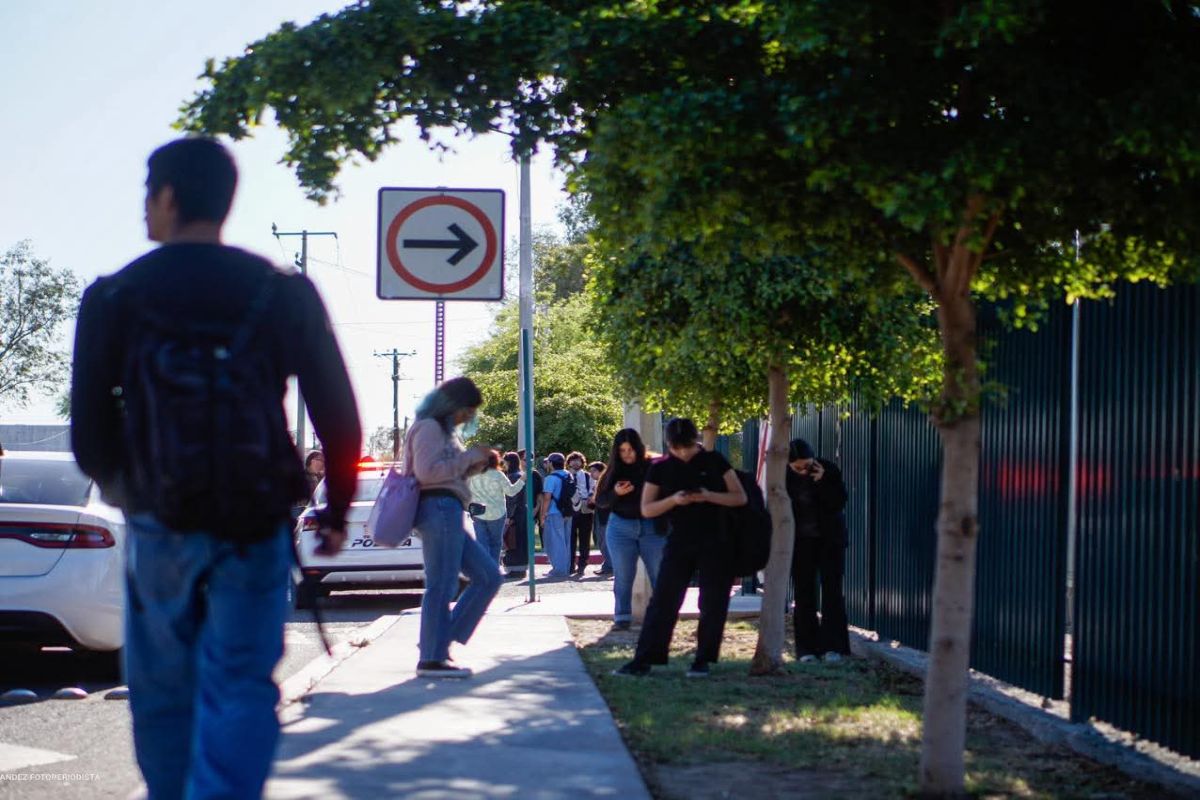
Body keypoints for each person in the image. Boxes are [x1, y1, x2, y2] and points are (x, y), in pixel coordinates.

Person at [70, 137, 362, 799]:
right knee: (240, 684)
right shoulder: (283, 291)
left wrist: (134, 496)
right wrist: (336, 509)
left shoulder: (115, 294)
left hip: (159, 520)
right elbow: (338, 416)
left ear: (168, 197)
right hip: (255, 520)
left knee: (162, 689)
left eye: (148, 194)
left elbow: (89, 434)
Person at [613, 418, 746, 678]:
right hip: (679, 541)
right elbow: (647, 508)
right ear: (669, 445)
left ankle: (703, 659)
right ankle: (645, 659)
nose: (683, 453)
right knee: (663, 599)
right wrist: (674, 500)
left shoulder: (714, 460)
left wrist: (708, 496)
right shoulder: (660, 467)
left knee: (712, 600)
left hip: (715, 539)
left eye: (687, 447)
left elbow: (739, 497)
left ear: (695, 441)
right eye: (677, 448)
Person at [407, 376, 504, 678]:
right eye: (467, 410)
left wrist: (475, 464)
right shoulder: (429, 428)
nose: (469, 416)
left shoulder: (442, 431)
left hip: (448, 509)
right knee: (443, 583)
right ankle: (432, 657)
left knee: (489, 577)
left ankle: (437, 641)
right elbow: (427, 472)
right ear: (452, 405)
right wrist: (468, 458)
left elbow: (446, 471)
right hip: (438, 508)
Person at [786, 437, 851, 663]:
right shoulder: (784, 476)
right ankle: (806, 649)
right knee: (804, 594)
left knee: (832, 592)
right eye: (798, 467)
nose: (803, 470)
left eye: (807, 464)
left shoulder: (828, 469)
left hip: (830, 541)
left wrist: (823, 481)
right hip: (801, 542)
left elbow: (838, 503)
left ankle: (834, 647)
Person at [593, 429, 664, 630]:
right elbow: (600, 501)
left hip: (652, 527)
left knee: (659, 575)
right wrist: (615, 492)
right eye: (622, 450)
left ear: (639, 448)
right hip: (621, 527)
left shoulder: (653, 465)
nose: (627, 454)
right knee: (623, 577)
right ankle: (622, 617)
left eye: (631, 449)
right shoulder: (613, 470)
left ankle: (661, 618)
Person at [468, 449, 525, 569]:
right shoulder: (498, 475)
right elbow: (511, 492)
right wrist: (522, 480)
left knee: (482, 543)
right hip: (497, 513)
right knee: (495, 543)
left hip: (478, 512)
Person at [538, 452, 574, 578]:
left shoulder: (550, 478)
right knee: (566, 541)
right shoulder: (569, 475)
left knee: (556, 541)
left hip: (554, 512)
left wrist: (543, 515)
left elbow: (547, 498)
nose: (546, 464)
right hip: (568, 512)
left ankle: (558, 570)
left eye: (548, 462)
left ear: (552, 464)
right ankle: (566, 567)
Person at [566, 450, 596, 576]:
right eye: (573, 460)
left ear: (582, 462)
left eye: (578, 460)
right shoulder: (566, 476)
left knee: (584, 538)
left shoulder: (588, 476)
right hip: (571, 508)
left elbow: (593, 489)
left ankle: (582, 564)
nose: (575, 462)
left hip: (585, 508)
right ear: (569, 462)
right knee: (570, 538)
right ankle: (570, 564)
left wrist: (589, 499)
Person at [588, 460, 613, 576]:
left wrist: (594, 498)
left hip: (606, 516)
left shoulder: (606, 484)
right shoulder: (598, 484)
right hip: (599, 515)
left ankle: (609, 566)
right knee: (600, 541)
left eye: (594, 471)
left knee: (605, 542)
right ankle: (607, 565)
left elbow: (605, 501)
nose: (591, 474)